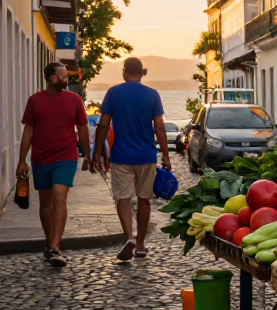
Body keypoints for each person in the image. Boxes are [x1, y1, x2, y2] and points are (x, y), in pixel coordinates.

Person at [92, 57, 172, 261]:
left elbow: (103, 125)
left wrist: (97, 152)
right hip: (146, 156)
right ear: (142, 73)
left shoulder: (114, 93)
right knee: (144, 200)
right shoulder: (152, 95)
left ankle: (129, 236)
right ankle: (140, 244)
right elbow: (160, 127)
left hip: (121, 155)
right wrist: (165, 155)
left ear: (124, 72)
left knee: (123, 198)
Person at [17, 62, 93, 267]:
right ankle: (49, 242)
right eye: (63, 76)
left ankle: (56, 246)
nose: (67, 79)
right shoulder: (35, 101)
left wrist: (87, 154)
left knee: (59, 196)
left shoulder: (74, 100)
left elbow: (83, 128)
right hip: (41, 158)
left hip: (66, 157)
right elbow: (28, 131)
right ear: (52, 79)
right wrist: (21, 160)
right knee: (46, 202)